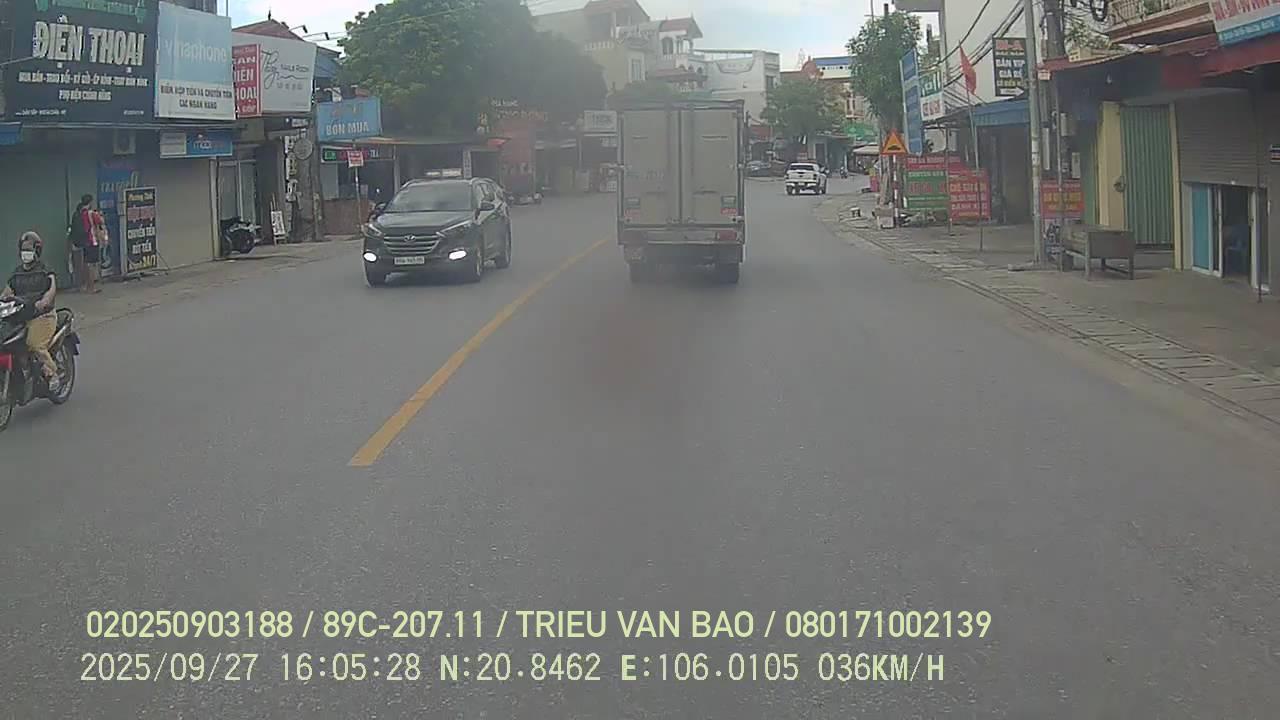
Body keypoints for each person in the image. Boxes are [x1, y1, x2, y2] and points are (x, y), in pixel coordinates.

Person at [2, 232, 60, 392]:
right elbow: (7, 292)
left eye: (29, 249)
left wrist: (44, 301)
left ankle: (52, 374)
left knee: (35, 345)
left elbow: (51, 290)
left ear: (37, 251)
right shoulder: (17, 273)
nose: (25, 253)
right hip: (20, 317)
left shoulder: (45, 270)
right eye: (23, 249)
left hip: (42, 316)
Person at [69, 194, 103, 293]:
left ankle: (83, 285)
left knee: (85, 264)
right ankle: (91, 287)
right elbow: (100, 222)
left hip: (83, 242)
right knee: (92, 265)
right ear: (90, 202)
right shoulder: (91, 213)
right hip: (92, 241)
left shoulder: (78, 213)